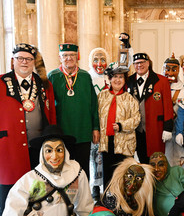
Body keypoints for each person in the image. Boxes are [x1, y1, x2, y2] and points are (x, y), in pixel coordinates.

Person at [0, 43, 56, 216]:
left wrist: (52, 139)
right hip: (8, 143)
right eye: (20, 58)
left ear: (33, 62)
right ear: (13, 61)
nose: (24, 62)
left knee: (37, 181)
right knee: (9, 181)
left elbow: (51, 112)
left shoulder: (43, 84)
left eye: (29, 59)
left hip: (38, 142)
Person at [48, 43, 100, 197]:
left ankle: (84, 200)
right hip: (62, 133)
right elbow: (49, 106)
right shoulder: (53, 76)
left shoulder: (85, 76)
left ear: (77, 57)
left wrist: (95, 128)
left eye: (71, 55)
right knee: (62, 168)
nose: (68, 58)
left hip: (83, 130)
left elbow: (93, 104)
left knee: (83, 169)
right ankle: (63, 202)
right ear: (60, 57)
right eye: (65, 55)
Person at [97, 63, 140, 188]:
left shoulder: (130, 99)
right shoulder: (101, 96)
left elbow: (136, 119)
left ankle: (121, 200)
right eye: (115, 76)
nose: (117, 80)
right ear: (110, 79)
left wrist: (122, 125)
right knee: (107, 172)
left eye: (121, 77)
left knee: (122, 173)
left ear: (125, 80)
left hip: (124, 142)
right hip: (106, 141)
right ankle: (106, 198)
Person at [126, 53, 174, 163]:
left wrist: (168, 128)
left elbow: (167, 106)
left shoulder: (161, 80)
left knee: (155, 160)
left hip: (154, 128)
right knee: (136, 160)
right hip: (134, 129)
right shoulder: (129, 81)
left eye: (142, 62)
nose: (139, 65)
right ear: (133, 65)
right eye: (137, 63)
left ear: (148, 63)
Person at [87, 47, 110, 198]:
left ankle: (109, 185)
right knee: (95, 156)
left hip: (109, 123)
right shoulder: (87, 78)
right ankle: (95, 188)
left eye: (102, 59)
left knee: (108, 156)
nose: (99, 63)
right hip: (94, 124)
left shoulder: (112, 77)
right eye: (95, 60)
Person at [163, 53, 184, 167]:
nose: (170, 73)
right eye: (167, 69)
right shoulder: (159, 86)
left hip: (178, 127)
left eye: (174, 69)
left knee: (178, 159)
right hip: (163, 129)